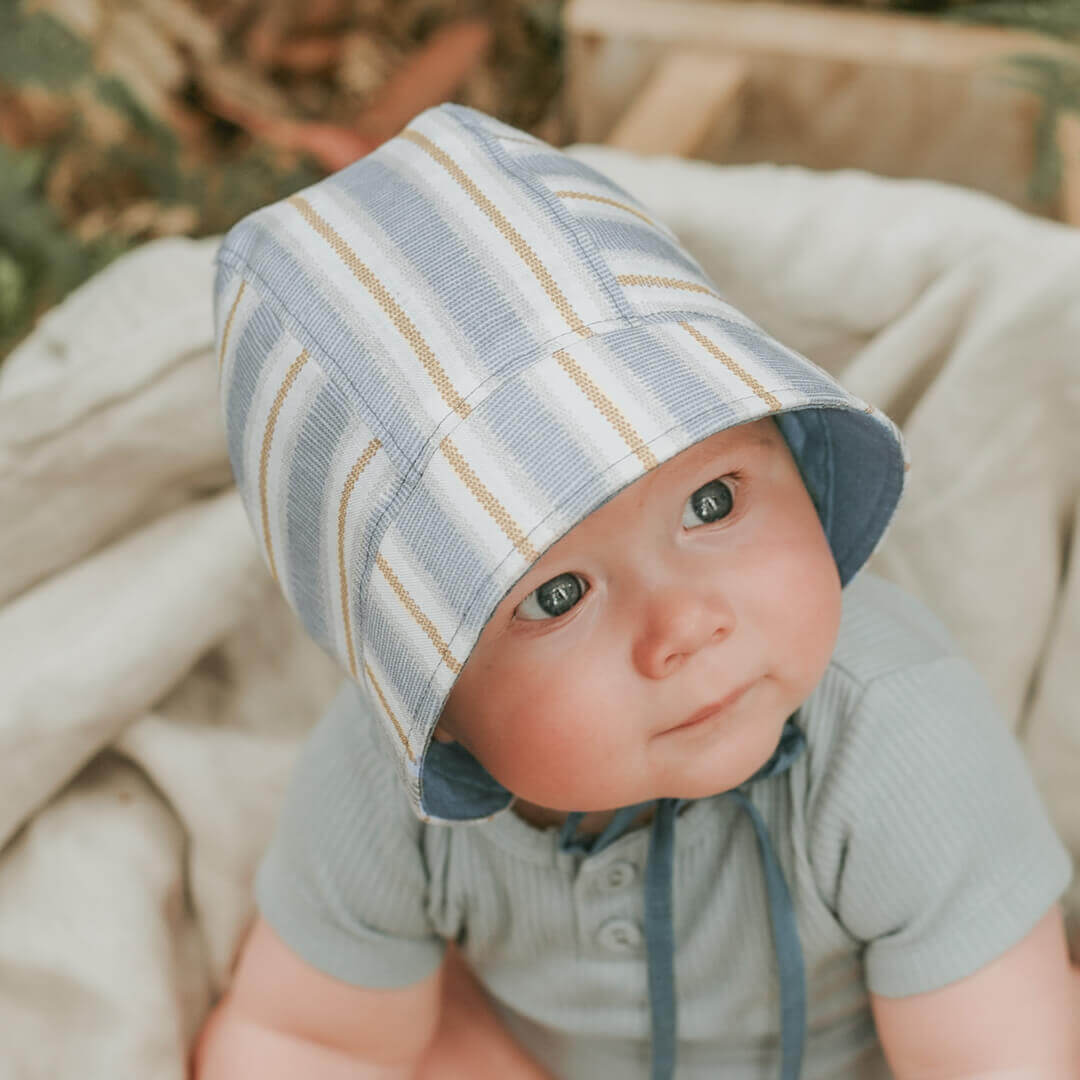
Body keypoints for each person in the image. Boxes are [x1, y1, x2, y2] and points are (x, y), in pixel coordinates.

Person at [193, 103, 1076, 1079]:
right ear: (432, 702)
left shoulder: (893, 731)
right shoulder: (380, 790)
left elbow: (1002, 1061)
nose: (685, 624)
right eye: (557, 595)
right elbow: (305, 1039)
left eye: (711, 501)